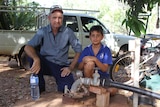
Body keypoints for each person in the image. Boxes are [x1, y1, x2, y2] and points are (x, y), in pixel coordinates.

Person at [24, 5, 82, 93]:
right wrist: (36, 59)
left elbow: (78, 50)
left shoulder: (68, 32)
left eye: (60, 18)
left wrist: (70, 68)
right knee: (33, 56)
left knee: (68, 90)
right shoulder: (42, 31)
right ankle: (40, 88)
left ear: (62, 19)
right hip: (45, 63)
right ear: (49, 18)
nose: (57, 20)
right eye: (54, 17)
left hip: (61, 66)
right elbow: (27, 47)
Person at [78, 25, 117, 95]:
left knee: (113, 90)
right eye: (93, 35)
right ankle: (90, 87)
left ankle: (96, 90)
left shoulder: (106, 50)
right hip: (89, 78)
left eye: (98, 35)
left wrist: (95, 59)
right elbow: (79, 68)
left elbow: (105, 69)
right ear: (90, 37)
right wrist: (84, 61)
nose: (95, 38)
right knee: (90, 64)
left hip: (102, 77)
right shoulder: (86, 50)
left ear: (102, 37)